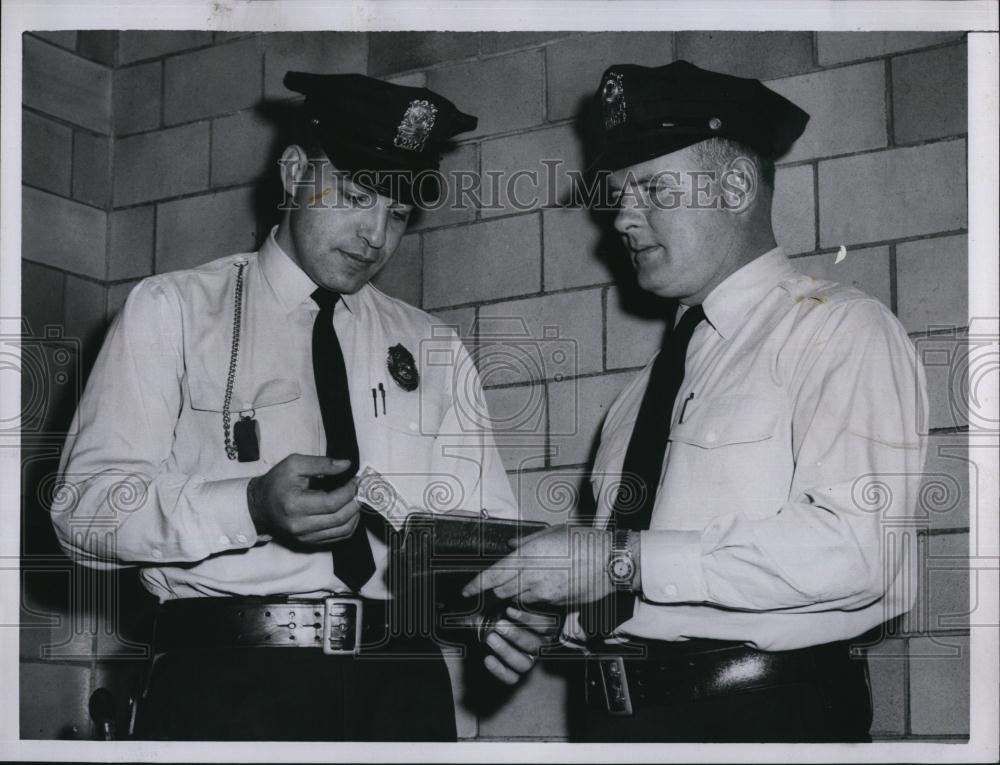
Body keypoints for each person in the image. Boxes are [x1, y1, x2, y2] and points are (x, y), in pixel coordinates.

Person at [52, 71, 546, 741]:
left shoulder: (434, 345)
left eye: (398, 214)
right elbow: (83, 507)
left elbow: (486, 539)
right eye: (354, 195)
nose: (375, 233)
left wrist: (512, 607)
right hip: (226, 682)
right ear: (292, 173)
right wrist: (250, 504)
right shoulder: (172, 311)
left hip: (400, 689)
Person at [463, 60, 928, 742]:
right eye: (619, 193)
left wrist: (616, 558)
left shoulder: (838, 330)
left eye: (651, 188)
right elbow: (640, 585)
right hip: (615, 722)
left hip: (762, 721)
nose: (622, 217)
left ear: (737, 185)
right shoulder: (636, 400)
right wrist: (558, 613)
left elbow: (859, 549)